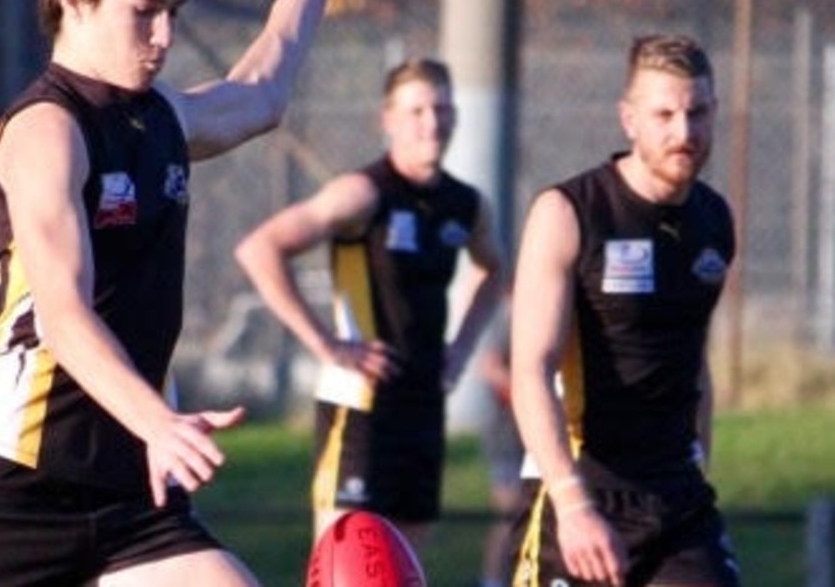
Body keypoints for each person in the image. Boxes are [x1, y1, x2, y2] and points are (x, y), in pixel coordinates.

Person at [0, 0, 339, 587]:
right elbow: (65, 317)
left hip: (131, 485)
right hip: (22, 479)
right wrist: (160, 422)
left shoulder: (160, 117)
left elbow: (260, 96)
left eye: (174, 12)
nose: (164, 36)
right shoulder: (45, 131)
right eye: (145, 11)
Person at [233, 58, 506, 549]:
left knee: (406, 568)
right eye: (417, 109)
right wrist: (329, 345)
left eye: (441, 108)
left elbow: (495, 269)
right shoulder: (363, 194)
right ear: (388, 120)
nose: (432, 122)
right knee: (347, 564)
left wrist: (462, 348)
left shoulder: (465, 205)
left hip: (422, 405)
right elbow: (259, 249)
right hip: (360, 408)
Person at [506, 34, 741, 587]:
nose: (684, 132)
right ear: (629, 119)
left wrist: (697, 455)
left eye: (697, 112)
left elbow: (691, 351)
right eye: (664, 114)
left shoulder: (713, 220)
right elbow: (530, 371)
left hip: (677, 498)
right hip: (581, 487)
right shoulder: (570, 213)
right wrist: (571, 503)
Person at [475, 324, 523, 587]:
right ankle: (492, 580)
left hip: (528, 439)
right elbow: (489, 368)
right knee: (506, 515)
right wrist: (529, 389)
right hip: (507, 437)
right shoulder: (508, 321)